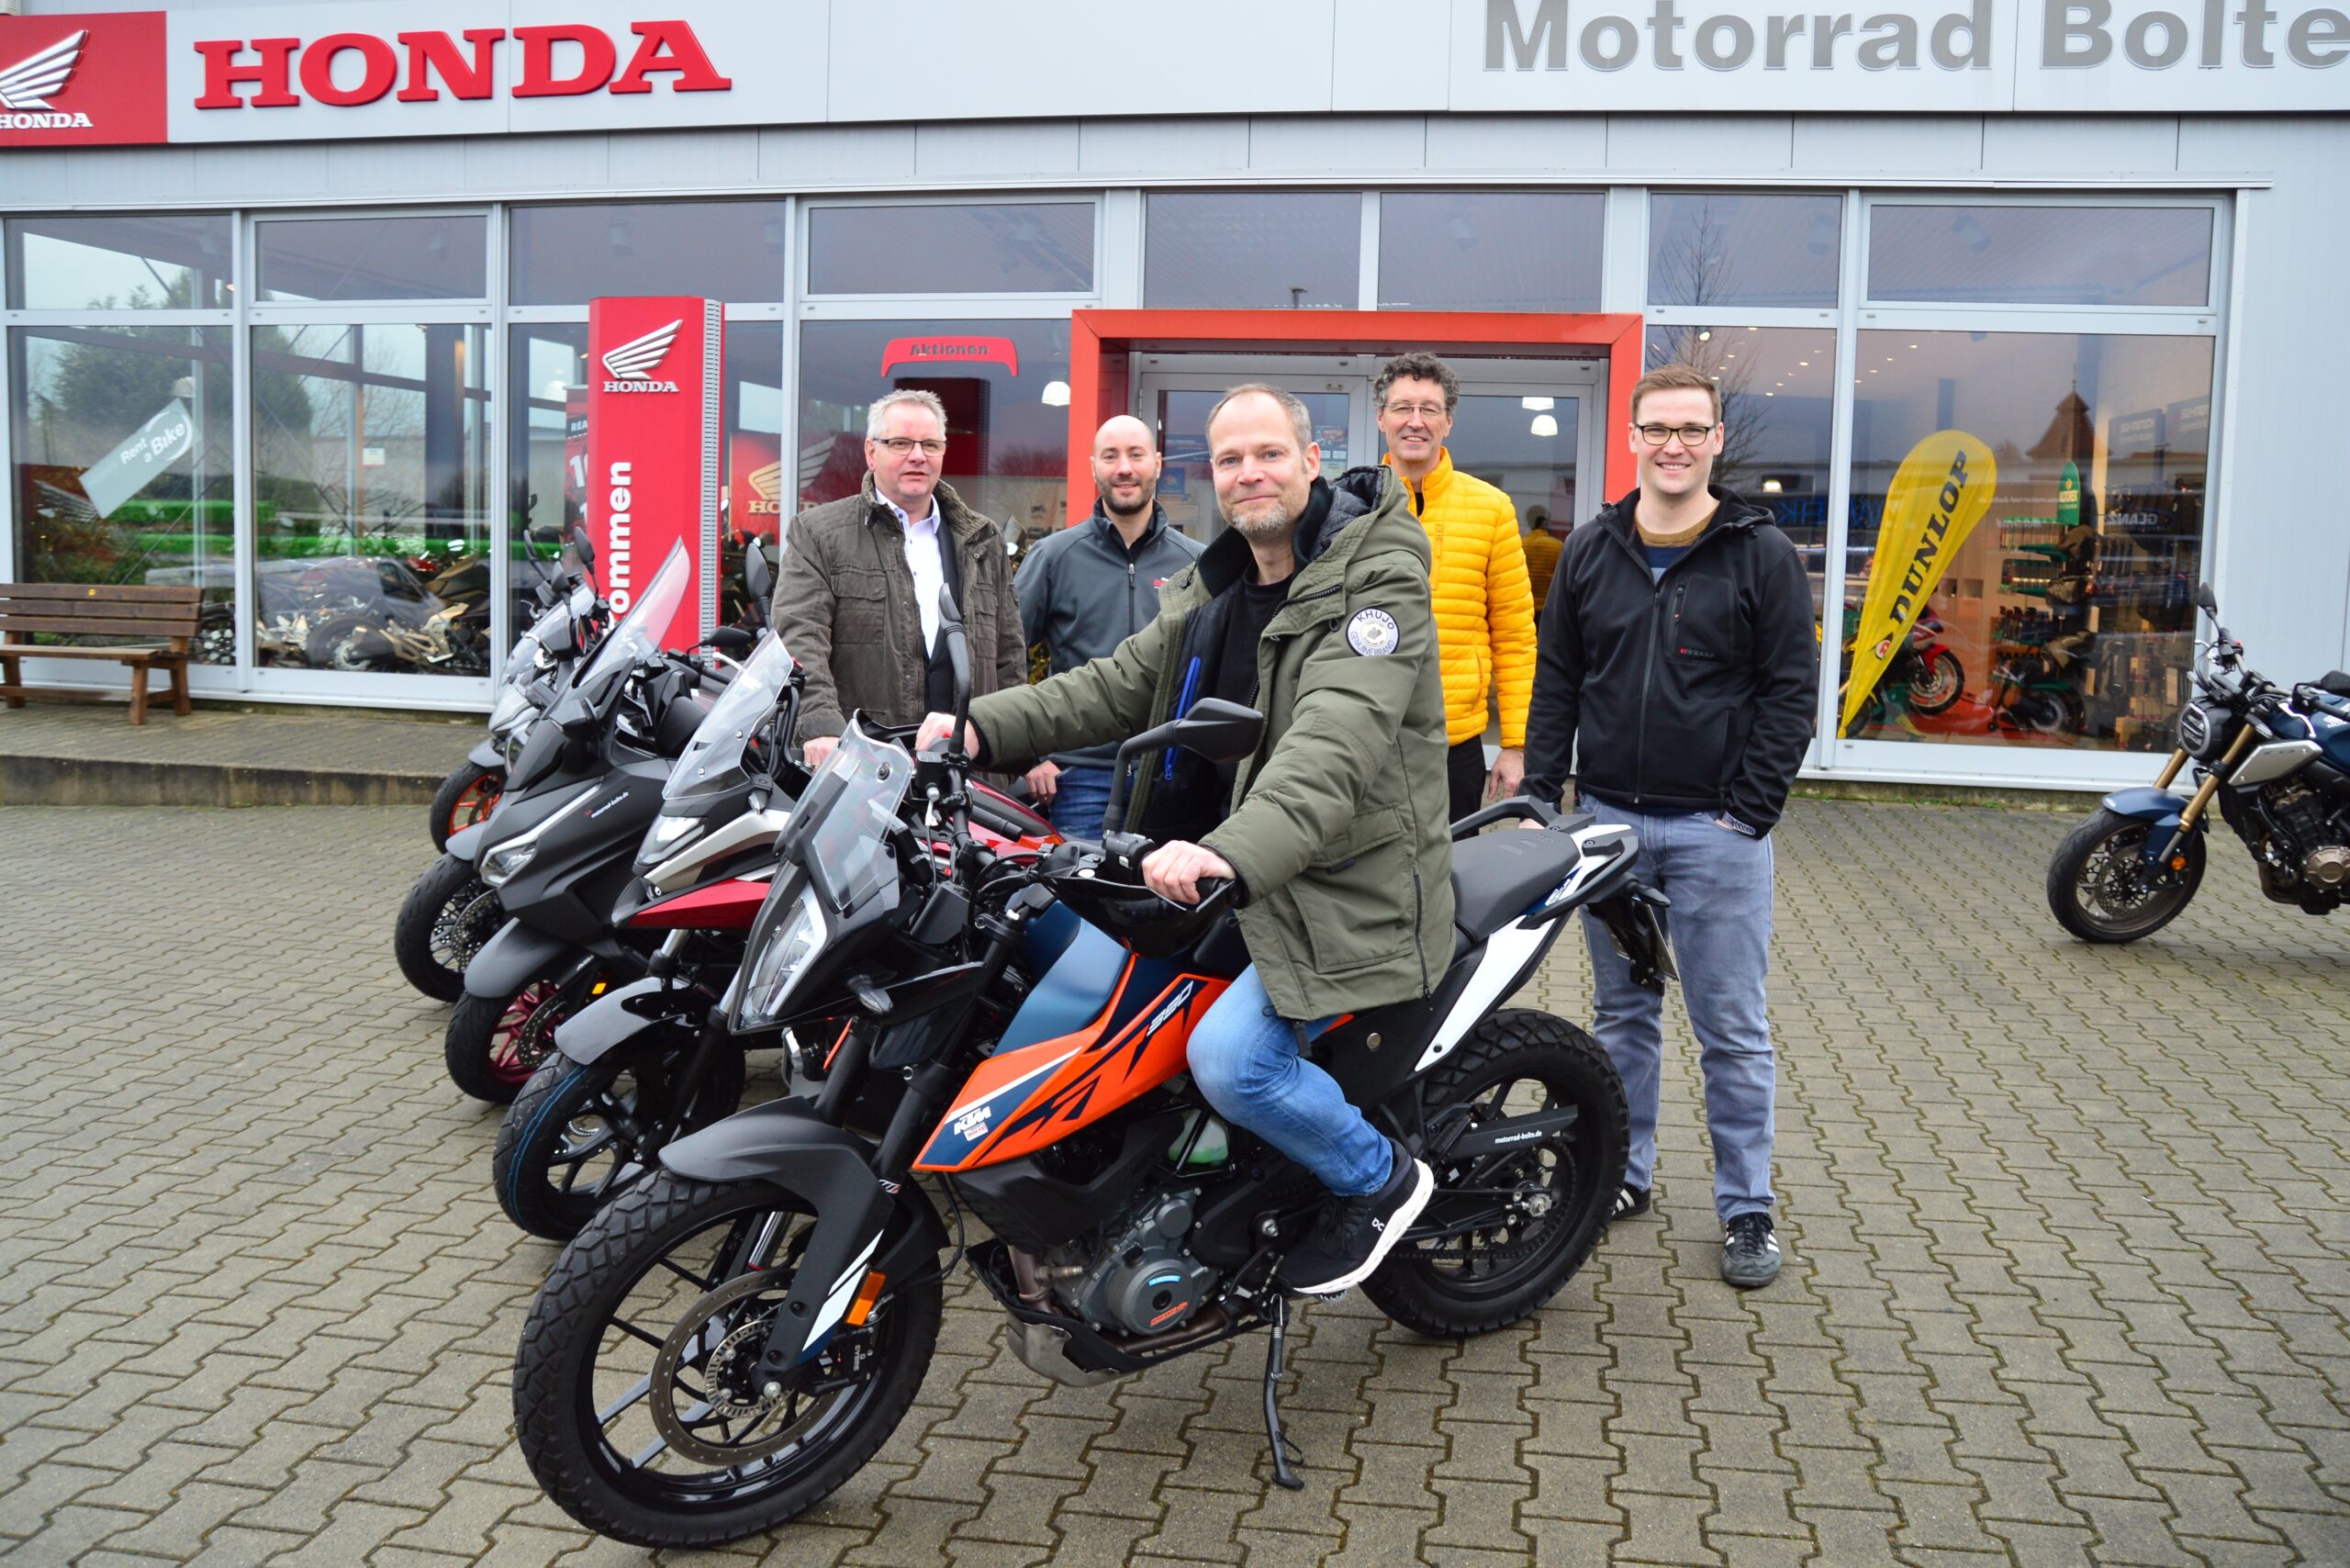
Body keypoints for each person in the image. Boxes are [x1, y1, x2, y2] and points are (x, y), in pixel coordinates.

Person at [918, 385, 1455, 1296]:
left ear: (1311, 460)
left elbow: (1335, 741)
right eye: (1231, 459)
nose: (1250, 473)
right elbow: (1115, 684)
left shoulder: (1377, 578)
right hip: (1214, 873)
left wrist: (1230, 851)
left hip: (1337, 879)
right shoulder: (1217, 584)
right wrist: (977, 729)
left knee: (1232, 1061)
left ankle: (1379, 1179)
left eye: (1269, 454)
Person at [1519, 363, 1816, 1290]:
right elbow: (1558, 678)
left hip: (1715, 835)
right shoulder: (1590, 549)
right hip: (1609, 827)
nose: (1674, 445)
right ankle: (1623, 1174)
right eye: (1658, 428)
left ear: (1716, 440)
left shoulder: (1760, 553)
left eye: (1692, 429)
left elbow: (1790, 693)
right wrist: (1544, 797)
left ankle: (1747, 1206)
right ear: (1633, 438)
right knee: (1622, 1017)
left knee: (1730, 1027)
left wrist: (1748, 812)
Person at [771, 389, 1024, 769]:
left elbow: (1009, 656)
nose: (918, 456)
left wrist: (1021, 749)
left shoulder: (983, 539)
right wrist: (820, 726)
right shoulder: (818, 533)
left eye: (930, 444)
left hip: (966, 774)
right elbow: (799, 637)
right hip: (860, 766)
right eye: (901, 443)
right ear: (871, 452)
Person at [1013, 415, 1204, 838]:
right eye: (1110, 456)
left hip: (1170, 776)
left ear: (1157, 463)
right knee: (1080, 885)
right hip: (1079, 778)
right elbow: (1004, 655)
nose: (1124, 468)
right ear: (1093, 467)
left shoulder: (1196, 564)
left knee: (1167, 884)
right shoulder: (1053, 556)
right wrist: (1028, 756)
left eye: (1136, 455)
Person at [1372, 353, 1538, 824]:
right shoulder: (1349, 504)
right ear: (1382, 417)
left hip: (1454, 743)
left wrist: (1516, 743)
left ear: (1448, 421)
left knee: (1452, 867)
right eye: (1403, 407)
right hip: (1365, 736)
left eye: (1429, 409)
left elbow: (1515, 636)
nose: (1415, 421)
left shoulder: (1491, 508)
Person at [1520, 509, 1563, 609]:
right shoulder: (1557, 546)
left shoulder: (1519, 545)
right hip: (1548, 605)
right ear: (1545, 523)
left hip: (1523, 604)